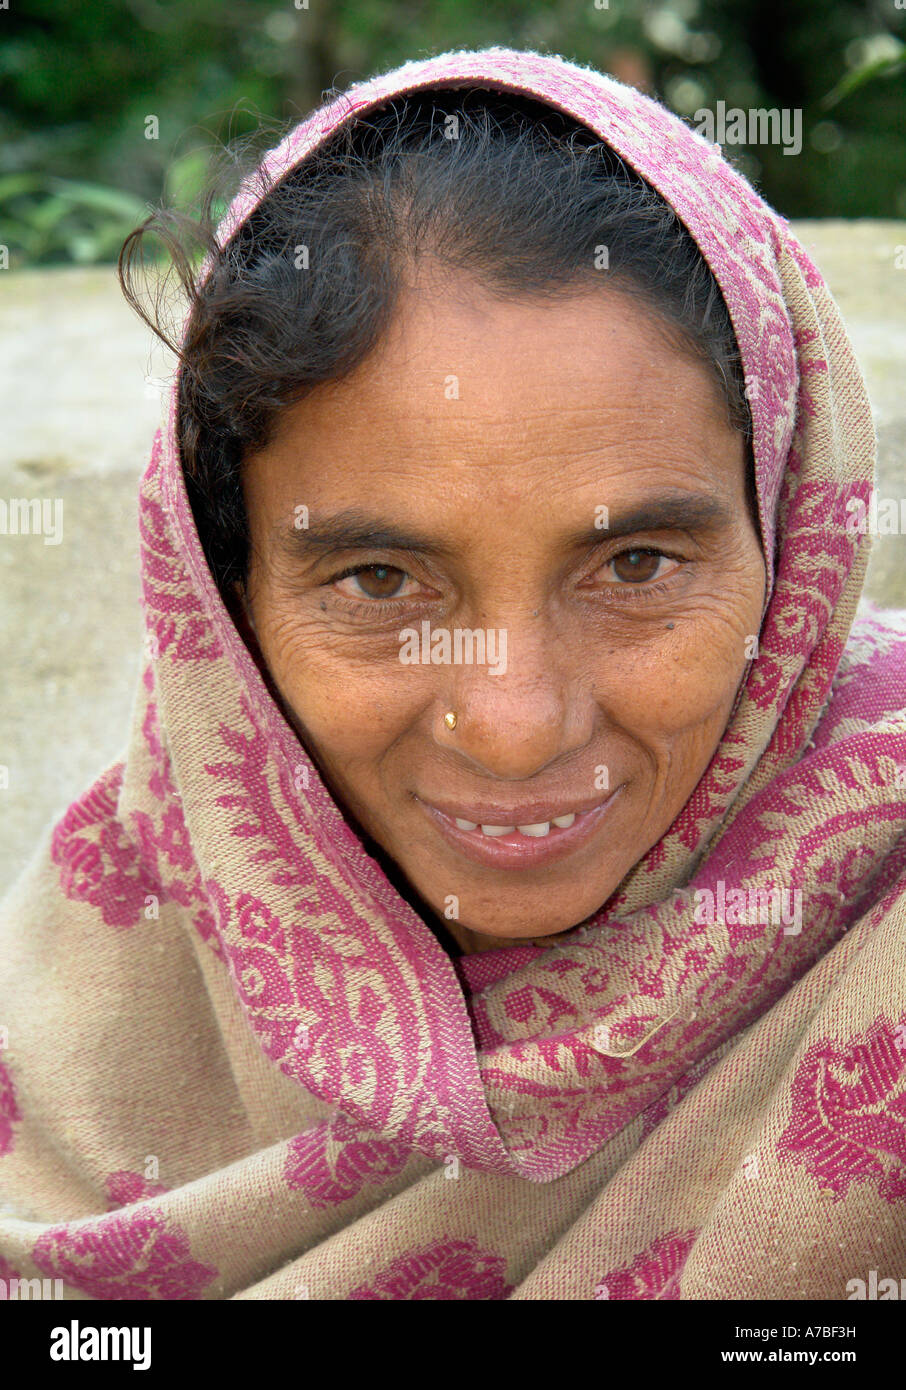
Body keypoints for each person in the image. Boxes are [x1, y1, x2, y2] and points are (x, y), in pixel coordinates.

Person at [1, 45, 903, 1301]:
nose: (517, 725)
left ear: (792, 546)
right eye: (380, 583)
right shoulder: (103, 965)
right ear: (223, 599)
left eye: (636, 564)